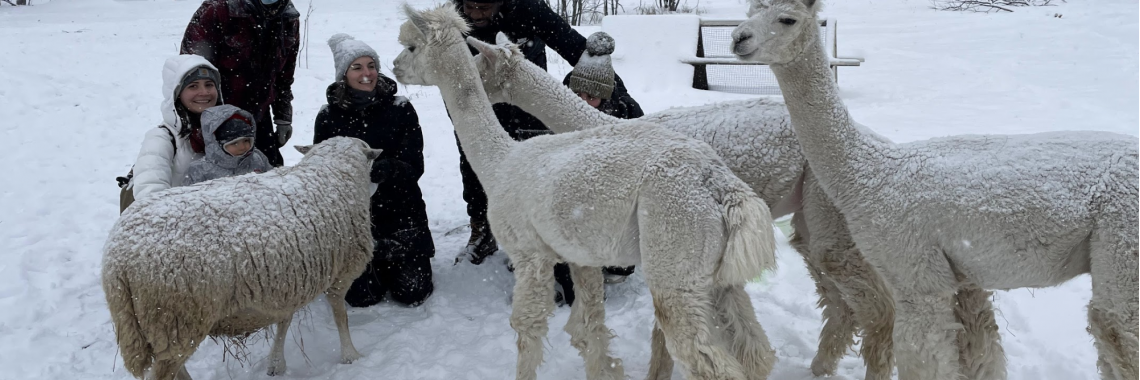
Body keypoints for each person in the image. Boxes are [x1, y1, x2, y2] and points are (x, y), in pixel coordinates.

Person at [451, 0, 643, 265]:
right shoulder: (452, 22)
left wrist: (621, 99)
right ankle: (481, 229)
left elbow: (573, 46)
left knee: (532, 169)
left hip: (525, 101)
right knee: (474, 166)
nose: (476, 14)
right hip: (481, 105)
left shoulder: (528, 10)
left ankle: (529, 236)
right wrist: (460, 114)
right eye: (470, 7)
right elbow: (451, 74)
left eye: (484, 7)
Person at [314, 34, 435, 307]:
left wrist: (389, 168)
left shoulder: (400, 108)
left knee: (412, 293)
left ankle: (399, 258)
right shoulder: (328, 115)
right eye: (357, 67)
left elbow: (415, 166)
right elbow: (321, 171)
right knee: (360, 297)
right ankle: (368, 260)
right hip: (354, 218)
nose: (367, 73)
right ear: (343, 74)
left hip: (401, 211)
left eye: (371, 65)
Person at [553, 31, 644, 305]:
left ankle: (614, 260)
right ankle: (565, 269)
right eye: (576, 94)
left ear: (605, 96)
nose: (582, 102)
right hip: (570, 190)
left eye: (591, 97)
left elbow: (642, 157)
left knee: (619, 255)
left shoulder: (627, 112)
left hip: (612, 191)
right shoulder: (556, 106)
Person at [180, 0, 299, 167]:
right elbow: (190, 76)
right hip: (216, 121)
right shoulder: (217, 10)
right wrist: (202, 131)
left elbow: (284, 77)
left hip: (259, 118)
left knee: (270, 179)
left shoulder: (289, 18)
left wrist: (283, 117)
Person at [119, 54, 222, 213]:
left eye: (209, 84)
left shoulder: (227, 130)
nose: (204, 92)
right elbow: (150, 198)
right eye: (193, 86)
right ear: (177, 93)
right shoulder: (161, 139)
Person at [184, 105, 273, 185]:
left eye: (246, 140)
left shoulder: (258, 159)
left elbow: (274, 182)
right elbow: (189, 198)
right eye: (234, 143)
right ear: (216, 145)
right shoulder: (200, 170)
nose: (242, 147)